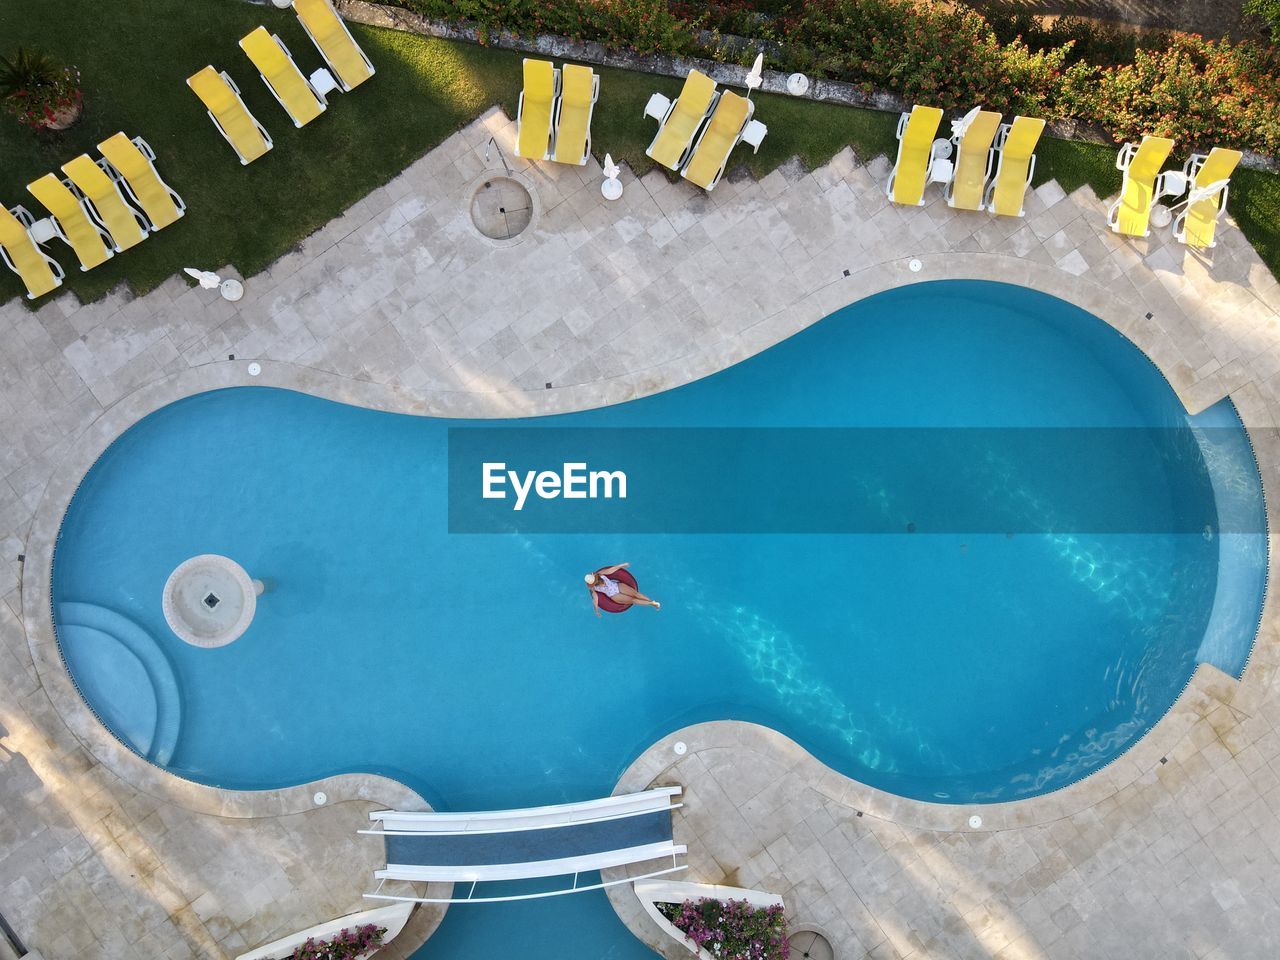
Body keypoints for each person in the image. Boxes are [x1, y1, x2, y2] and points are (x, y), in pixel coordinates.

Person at [585, 563, 660, 617]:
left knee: (633, 600)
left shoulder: (594, 587)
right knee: (636, 594)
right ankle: (652, 602)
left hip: (614, 595)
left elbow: (595, 599)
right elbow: (611, 570)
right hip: (618, 587)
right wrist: (622, 565)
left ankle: (652, 604)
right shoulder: (600, 574)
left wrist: (596, 610)